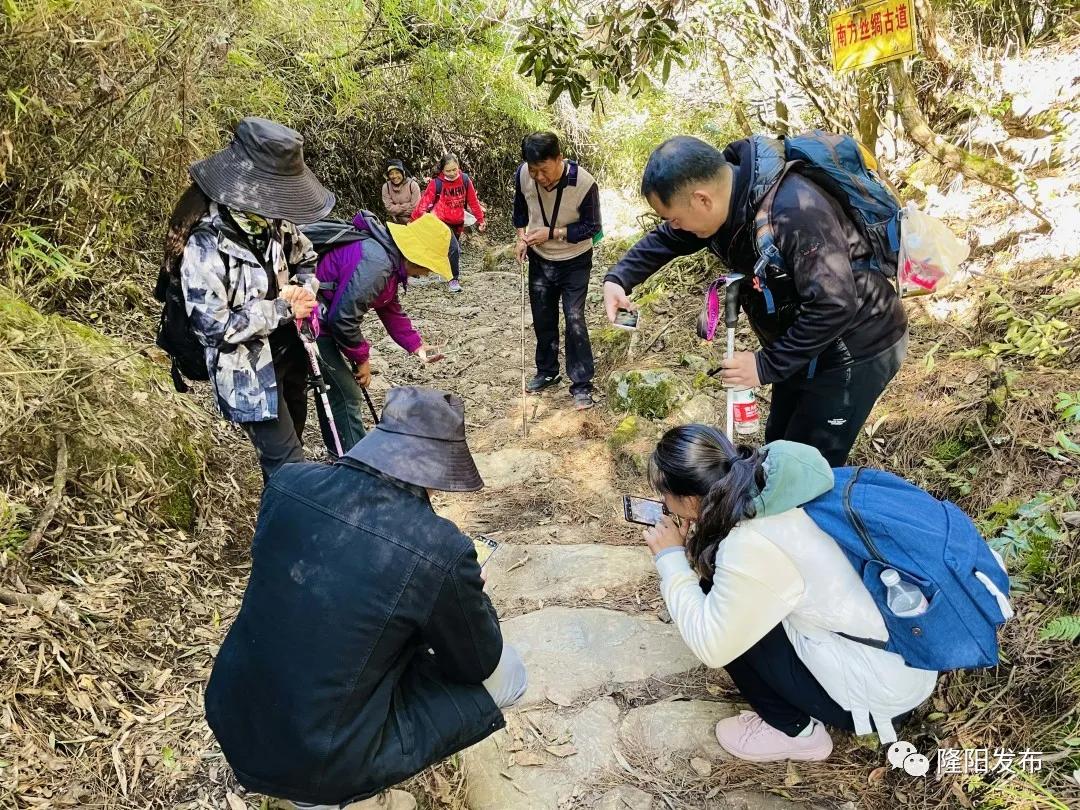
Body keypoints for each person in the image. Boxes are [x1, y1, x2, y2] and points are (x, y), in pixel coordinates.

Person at [205, 387, 528, 810]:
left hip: (234, 710)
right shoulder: (438, 548)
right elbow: (478, 663)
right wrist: (474, 596)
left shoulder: (288, 483)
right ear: (436, 469)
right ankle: (331, 799)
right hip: (318, 757)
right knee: (512, 677)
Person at [604, 136, 909, 466]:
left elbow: (834, 304)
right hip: (802, 344)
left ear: (701, 199)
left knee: (806, 468)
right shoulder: (731, 199)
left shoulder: (794, 212)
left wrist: (765, 365)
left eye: (675, 218)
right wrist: (619, 278)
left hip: (856, 348)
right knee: (778, 444)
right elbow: (669, 238)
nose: (674, 226)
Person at [642, 425, 936, 762]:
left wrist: (670, 559)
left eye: (666, 495)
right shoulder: (775, 482)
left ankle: (797, 732)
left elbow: (712, 645)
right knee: (730, 598)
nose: (664, 504)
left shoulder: (752, 543)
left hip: (875, 695)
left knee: (721, 612)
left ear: (691, 499)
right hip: (905, 661)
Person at [164, 117, 334, 483]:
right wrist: (281, 308)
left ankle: (284, 521)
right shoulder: (206, 243)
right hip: (249, 372)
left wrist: (302, 288)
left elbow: (305, 258)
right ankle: (286, 535)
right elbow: (213, 327)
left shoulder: (272, 221)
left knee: (292, 456)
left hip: (290, 356)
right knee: (288, 467)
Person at [312, 212, 452, 454]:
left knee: (335, 391)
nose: (427, 274)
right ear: (416, 257)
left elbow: (389, 307)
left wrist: (416, 346)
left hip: (323, 320)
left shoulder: (388, 260)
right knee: (347, 394)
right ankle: (354, 465)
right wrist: (362, 358)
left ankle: (341, 453)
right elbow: (343, 319)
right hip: (310, 321)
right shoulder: (377, 264)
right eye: (428, 267)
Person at [513, 132, 602, 411]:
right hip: (541, 259)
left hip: (575, 259)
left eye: (545, 170)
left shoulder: (584, 183)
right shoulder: (523, 175)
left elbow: (592, 227)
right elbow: (519, 212)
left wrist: (552, 233)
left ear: (559, 159)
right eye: (534, 170)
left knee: (574, 317)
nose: (539, 177)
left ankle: (581, 383)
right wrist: (521, 238)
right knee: (543, 316)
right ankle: (548, 371)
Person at [411, 152, 486, 293]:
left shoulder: (464, 180)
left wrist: (480, 219)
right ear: (442, 170)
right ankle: (453, 279)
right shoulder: (436, 184)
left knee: (452, 249)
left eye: (454, 170)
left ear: (458, 167)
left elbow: (473, 201)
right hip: (441, 221)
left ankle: (445, 271)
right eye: (448, 171)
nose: (452, 173)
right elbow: (424, 202)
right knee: (454, 249)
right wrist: (415, 220)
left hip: (458, 222)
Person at [381, 159, 421, 225]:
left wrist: (397, 211)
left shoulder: (413, 185)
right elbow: (389, 208)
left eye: (397, 172)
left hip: (413, 220)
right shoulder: (386, 187)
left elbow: (415, 207)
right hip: (396, 222)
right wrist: (407, 205)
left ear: (403, 173)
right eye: (391, 173)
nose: (394, 176)